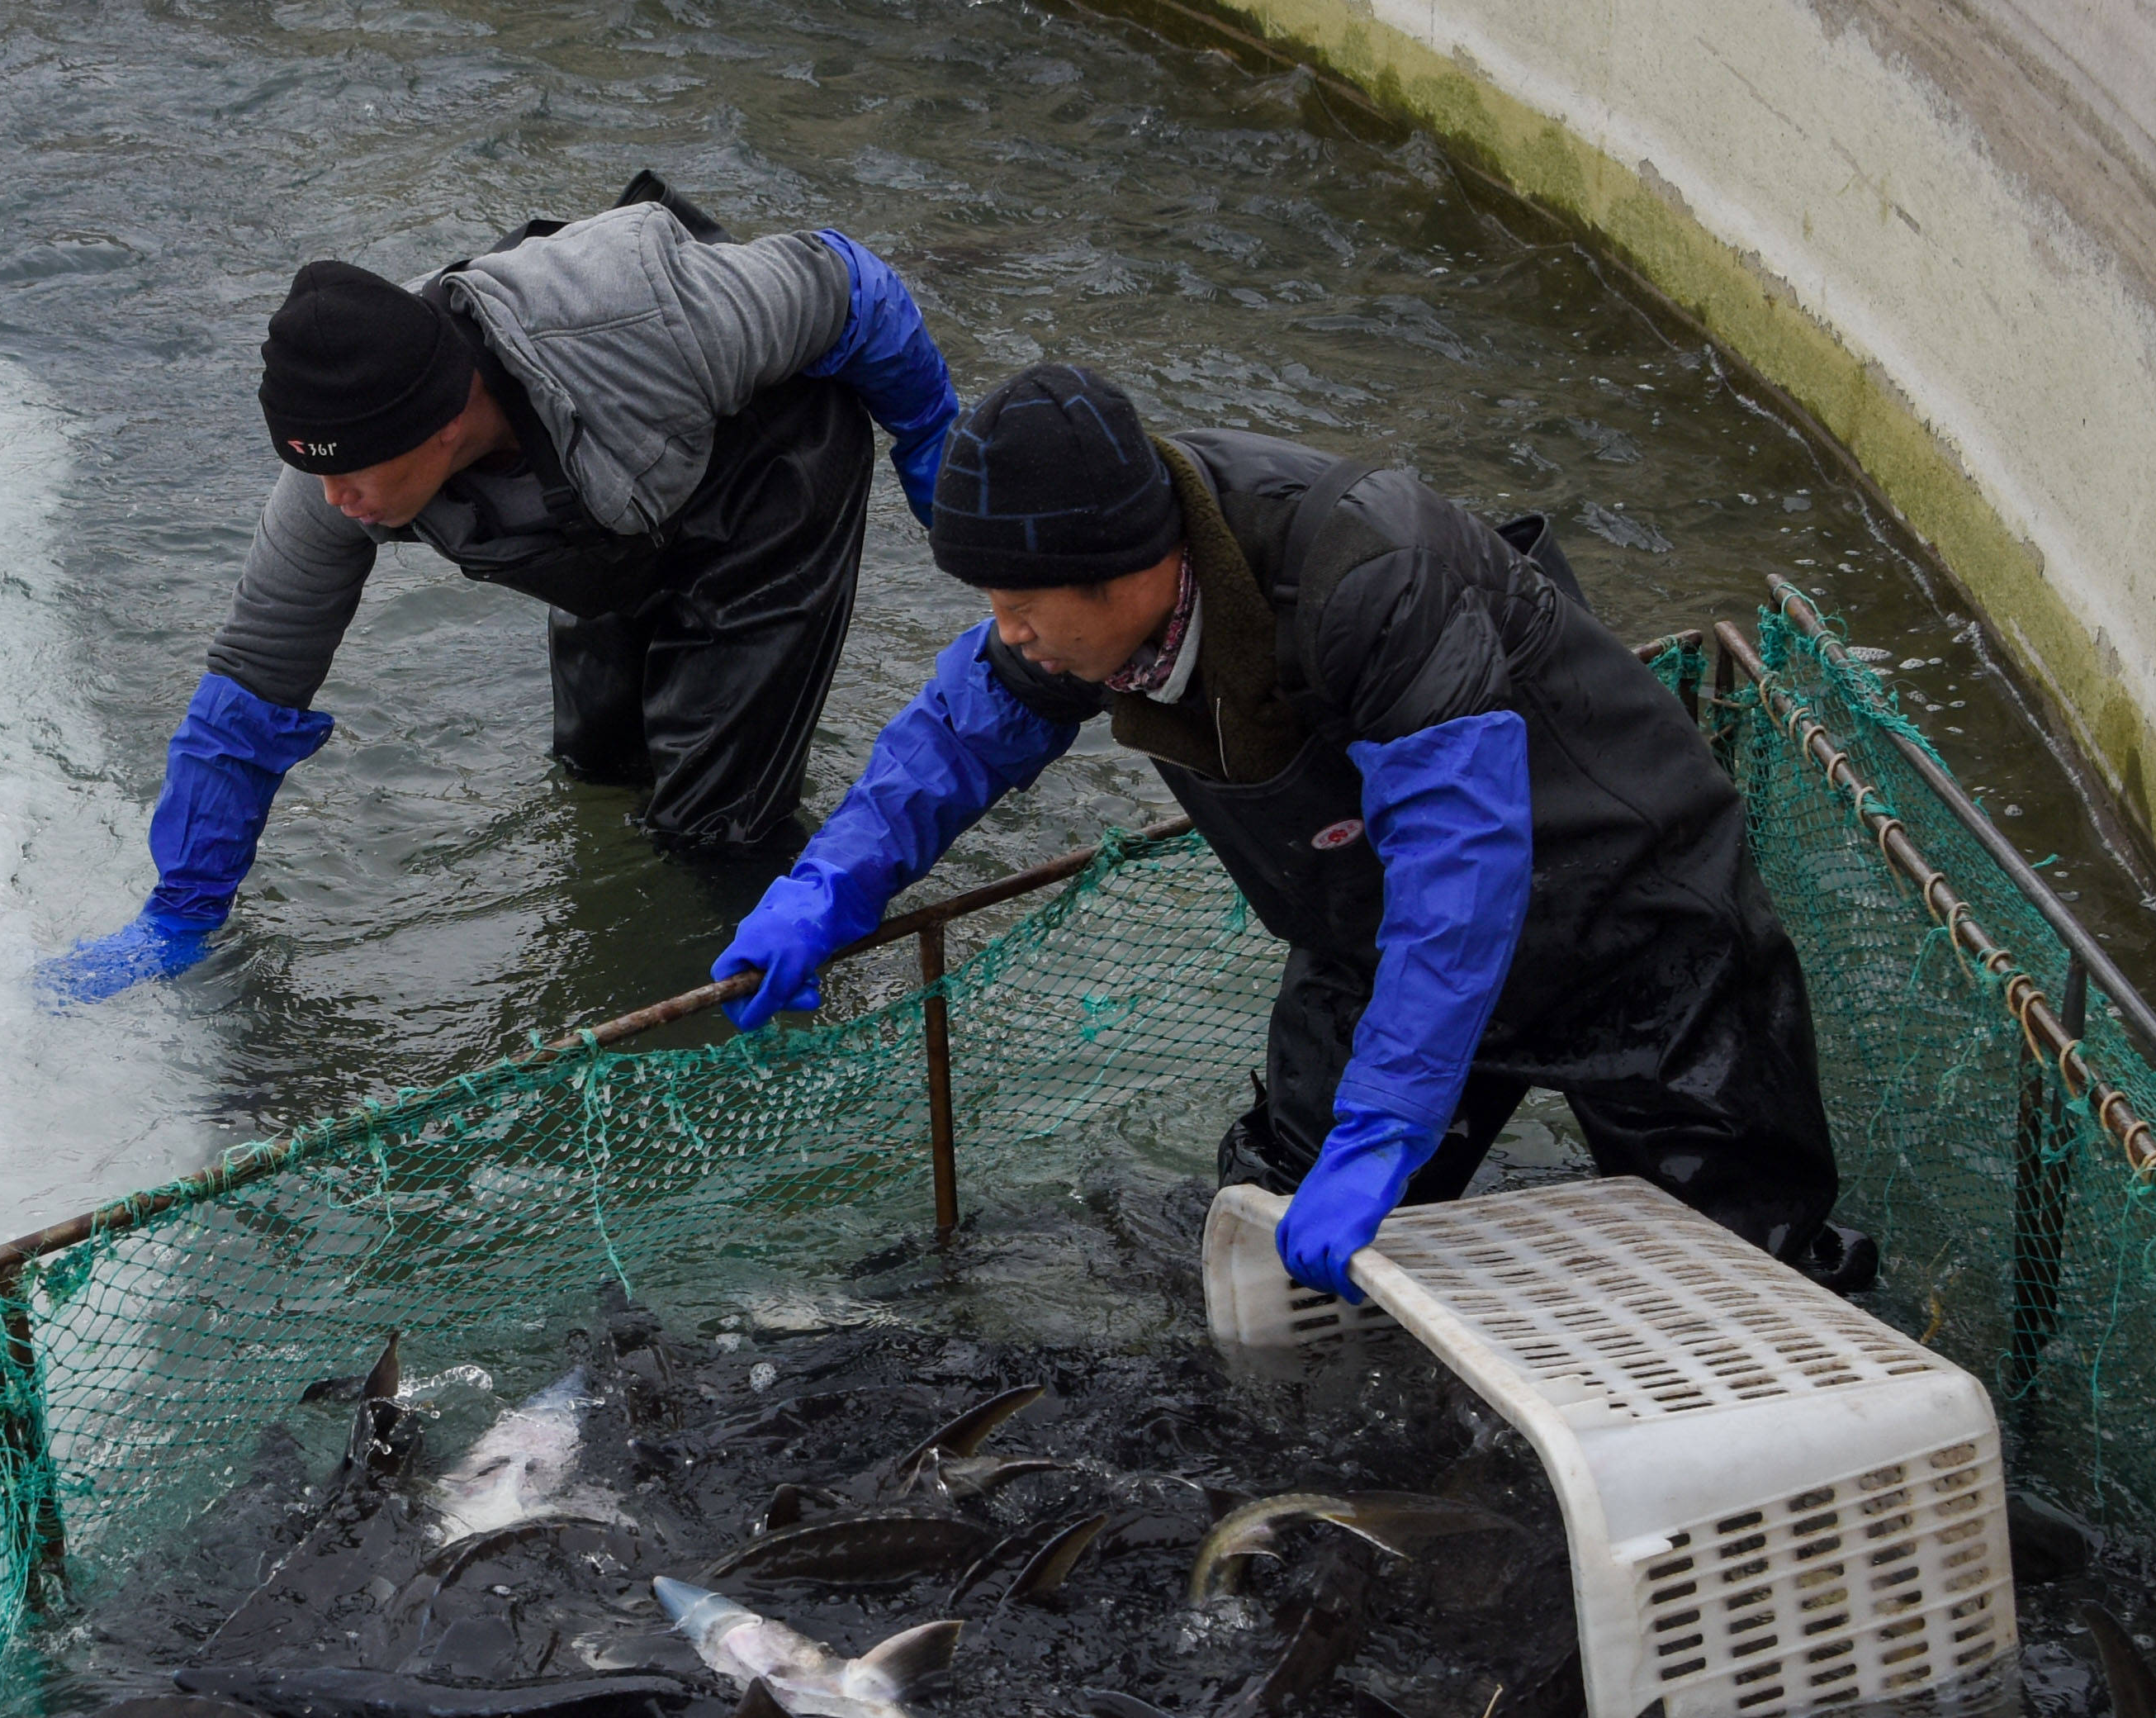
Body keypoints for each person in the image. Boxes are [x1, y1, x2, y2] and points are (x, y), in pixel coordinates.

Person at [711, 361, 1866, 1295]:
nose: (1003, 632)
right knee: (1268, 1238)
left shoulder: (1371, 569)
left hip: (1633, 928)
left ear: (1124, 568)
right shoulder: (1079, 616)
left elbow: (1462, 866)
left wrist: (1388, 1121)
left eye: (1017, 606)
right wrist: (831, 885)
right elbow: (959, 733)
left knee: (1743, 1276)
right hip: (1368, 939)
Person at [48, 176, 960, 999]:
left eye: (354, 477)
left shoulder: (639, 314)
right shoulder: (338, 470)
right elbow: (249, 685)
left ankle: (767, 997)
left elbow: (850, 283)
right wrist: (180, 910)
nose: (335, 502)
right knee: (595, 768)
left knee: (712, 823)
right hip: (613, 519)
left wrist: (931, 446)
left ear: (443, 426)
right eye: (312, 474)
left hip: (767, 485)